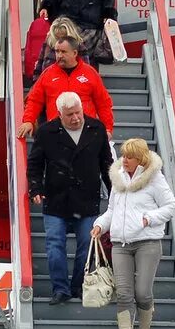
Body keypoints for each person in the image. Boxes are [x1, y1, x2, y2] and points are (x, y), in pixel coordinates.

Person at [92, 139, 175, 329]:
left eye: (129, 157)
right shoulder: (118, 178)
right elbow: (112, 210)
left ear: (140, 159)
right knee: (123, 295)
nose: (124, 160)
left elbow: (171, 206)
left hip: (147, 242)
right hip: (120, 244)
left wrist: (149, 218)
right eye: (123, 156)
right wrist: (100, 225)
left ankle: (145, 328)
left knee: (142, 293)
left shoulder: (154, 179)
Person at [27, 92, 113, 305]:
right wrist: (35, 188)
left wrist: (115, 195)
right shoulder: (47, 132)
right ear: (59, 114)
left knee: (86, 245)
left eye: (78, 113)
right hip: (56, 200)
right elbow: (35, 164)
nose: (75, 118)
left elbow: (107, 165)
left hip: (87, 200)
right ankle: (60, 289)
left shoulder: (96, 129)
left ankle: (78, 287)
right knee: (55, 245)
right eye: (69, 115)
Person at [17, 36, 114, 139]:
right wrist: (28, 121)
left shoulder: (90, 73)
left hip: (86, 134)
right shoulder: (47, 74)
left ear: (75, 53)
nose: (59, 55)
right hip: (56, 134)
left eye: (63, 52)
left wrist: (108, 128)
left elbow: (103, 103)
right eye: (57, 51)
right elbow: (34, 100)